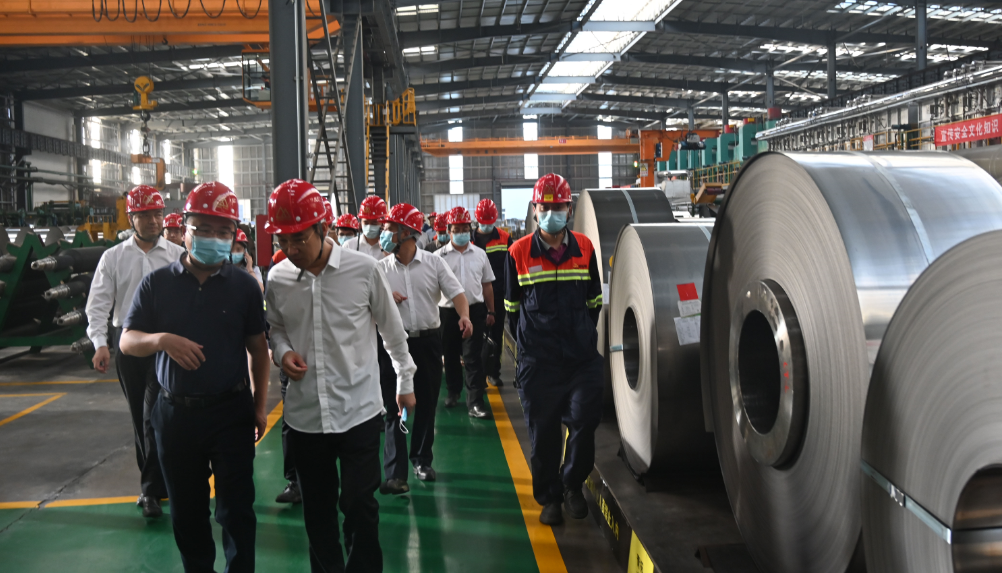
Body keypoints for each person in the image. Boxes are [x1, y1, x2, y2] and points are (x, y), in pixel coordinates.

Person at [265, 179, 417, 573]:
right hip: (305, 418)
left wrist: (405, 381)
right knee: (317, 513)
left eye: (299, 238)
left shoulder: (363, 270)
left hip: (358, 412)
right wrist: (282, 352)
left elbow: (392, 331)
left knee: (359, 505)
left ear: (323, 228)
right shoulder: (278, 278)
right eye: (283, 240)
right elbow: (276, 328)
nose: (291, 249)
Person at [119, 181, 271, 572]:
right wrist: (162, 340)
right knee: (187, 512)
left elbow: (258, 350)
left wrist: (259, 407)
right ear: (184, 229)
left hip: (231, 413)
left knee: (237, 510)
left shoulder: (245, 287)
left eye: (224, 231)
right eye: (203, 228)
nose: (214, 238)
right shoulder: (158, 284)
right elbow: (127, 341)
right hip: (175, 416)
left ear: (235, 236)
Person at [504, 173, 603, 527]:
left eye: (557, 207)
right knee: (543, 434)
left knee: (585, 422)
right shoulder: (518, 252)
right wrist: (533, 346)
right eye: (544, 207)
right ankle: (550, 498)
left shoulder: (585, 248)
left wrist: (580, 335)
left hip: (580, 359)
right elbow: (512, 311)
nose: (550, 213)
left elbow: (594, 302)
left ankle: (571, 483)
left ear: (569, 209)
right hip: (538, 360)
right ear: (534, 210)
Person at [85, 184, 184, 519]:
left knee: (157, 415)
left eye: (158, 214)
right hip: (128, 344)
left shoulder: (176, 255)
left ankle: (155, 485)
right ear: (131, 218)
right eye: (145, 215)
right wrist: (100, 343)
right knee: (140, 417)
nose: (154, 220)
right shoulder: (113, 258)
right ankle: (152, 486)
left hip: (165, 343)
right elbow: (98, 304)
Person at [377, 203, 471, 493]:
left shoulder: (434, 263)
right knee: (393, 407)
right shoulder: (378, 270)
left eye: (390, 229)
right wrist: (384, 298)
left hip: (428, 343)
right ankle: (395, 473)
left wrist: (465, 316)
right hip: (392, 345)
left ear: (407, 232)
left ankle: (422, 460)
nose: (384, 234)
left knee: (427, 404)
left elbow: (457, 292)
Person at [437, 206, 495, 418]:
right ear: (449, 230)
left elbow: (487, 285)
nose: (461, 233)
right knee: (450, 355)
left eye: (464, 229)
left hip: (474, 311)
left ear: (470, 229)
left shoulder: (480, 254)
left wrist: (491, 311)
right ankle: (453, 392)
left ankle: (475, 403)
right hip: (447, 312)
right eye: (456, 229)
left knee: (473, 357)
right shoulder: (438, 257)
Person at [473, 198, 512, 388]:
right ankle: (479, 376)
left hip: (497, 295)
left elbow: (510, 267)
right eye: (483, 222)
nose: (487, 225)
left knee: (496, 336)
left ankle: (494, 373)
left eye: (489, 222)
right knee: (476, 338)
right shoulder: (469, 239)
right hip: (474, 296)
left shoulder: (505, 238)